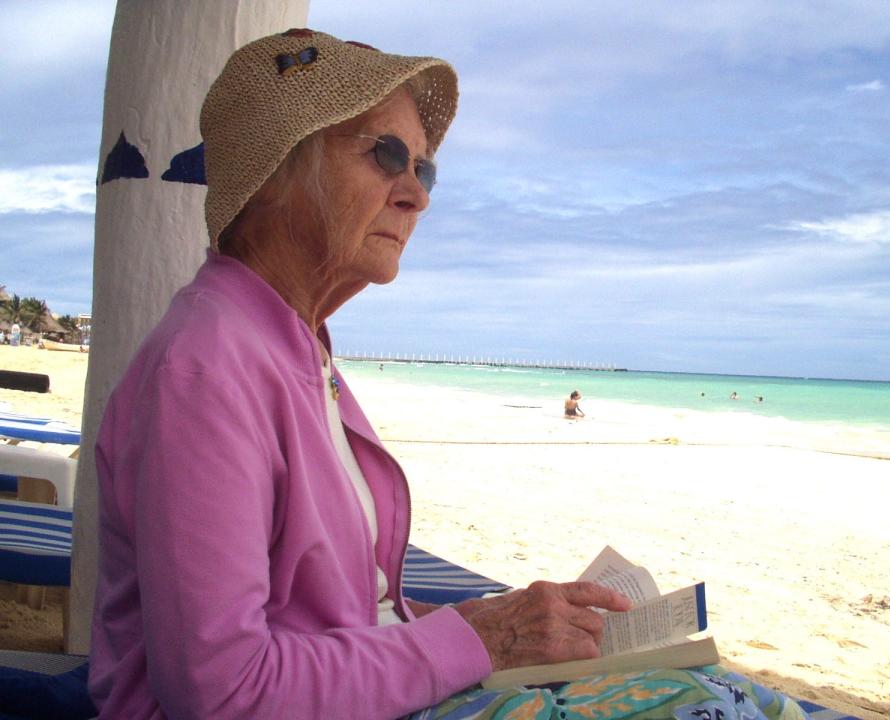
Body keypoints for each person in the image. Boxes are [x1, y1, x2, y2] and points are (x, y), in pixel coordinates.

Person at [91, 29, 808, 720]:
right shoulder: (207, 367)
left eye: (424, 168)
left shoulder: (291, 349)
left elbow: (334, 613)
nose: (417, 195)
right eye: (387, 155)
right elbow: (224, 692)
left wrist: (484, 621)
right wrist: (478, 640)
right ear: (276, 168)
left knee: (723, 692)